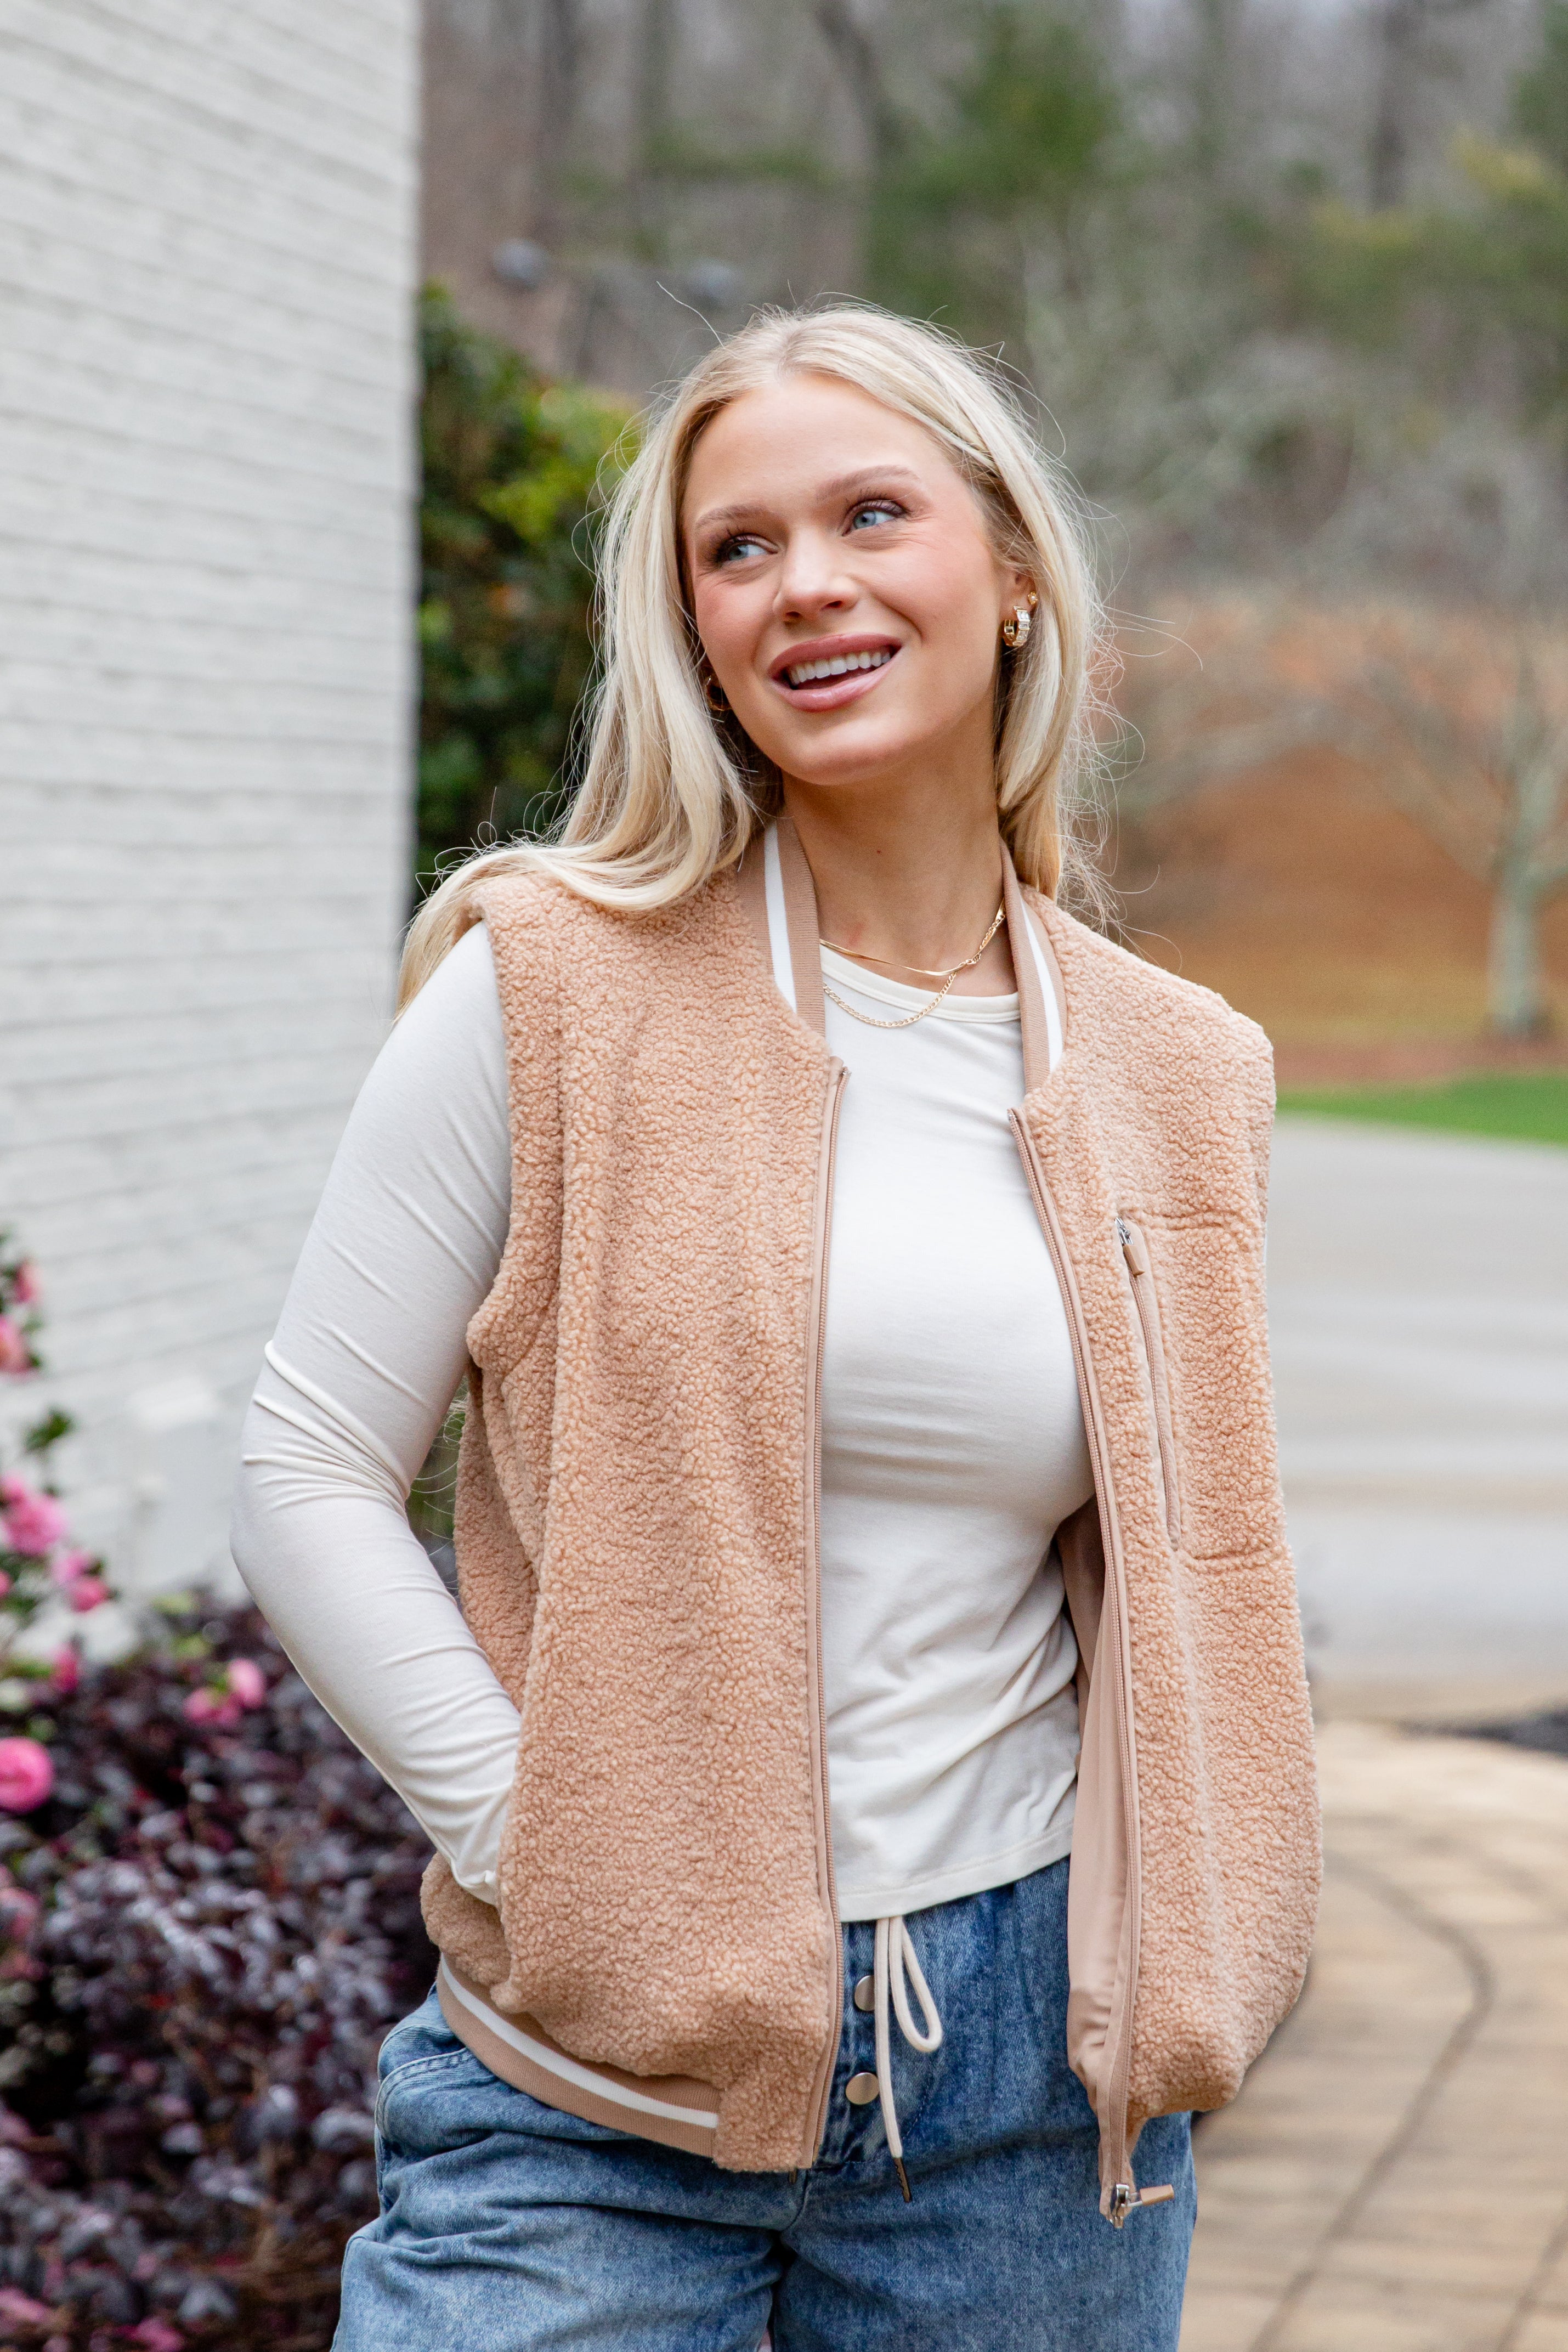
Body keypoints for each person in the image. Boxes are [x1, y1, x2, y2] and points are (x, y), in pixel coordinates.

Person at [231, 304, 1319, 2352]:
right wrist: (546, 1847)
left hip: (1031, 2101)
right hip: (593, 2095)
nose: (801, 583)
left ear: (1008, 573)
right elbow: (304, 1474)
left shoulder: (1184, 1070)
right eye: (735, 550)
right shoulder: (549, 985)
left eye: (869, 515)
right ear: (693, 630)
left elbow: (1188, 1561)